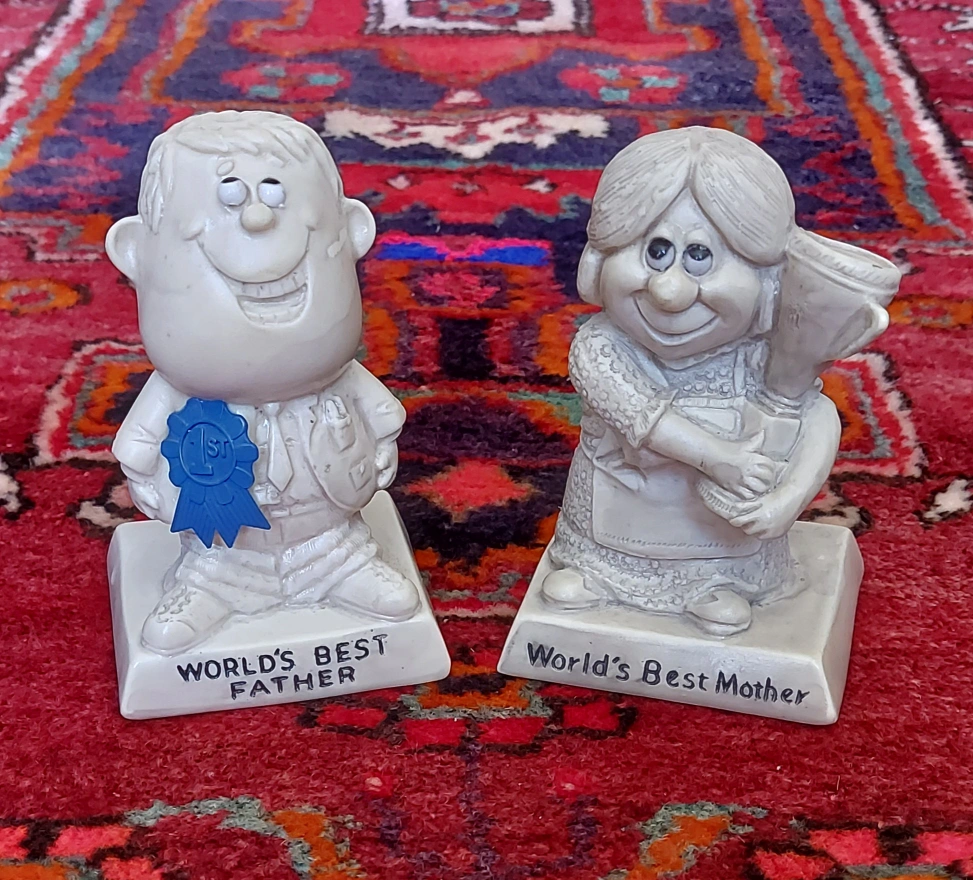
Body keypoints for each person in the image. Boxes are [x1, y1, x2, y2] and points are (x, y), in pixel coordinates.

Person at [107, 110, 420, 655]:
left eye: (276, 196)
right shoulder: (181, 393)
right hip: (223, 544)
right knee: (219, 556)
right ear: (136, 254)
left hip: (329, 524)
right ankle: (209, 586)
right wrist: (143, 470)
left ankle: (342, 566)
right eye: (230, 200)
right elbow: (139, 446)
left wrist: (380, 441)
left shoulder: (339, 378)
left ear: (353, 233)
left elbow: (383, 414)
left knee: (338, 546)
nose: (255, 217)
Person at [542, 126, 843, 636]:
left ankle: (717, 585)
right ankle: (599, 575)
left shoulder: (762, 356)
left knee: (724, 567)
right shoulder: (600, 347)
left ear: (769, 278)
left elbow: (817, 417)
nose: (670, 290)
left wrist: (788, 500)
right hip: (614, 517)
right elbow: (641, 417)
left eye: (699, 256)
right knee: (589, 566)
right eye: (656, 251)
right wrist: (720, 458)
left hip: (721, 540)